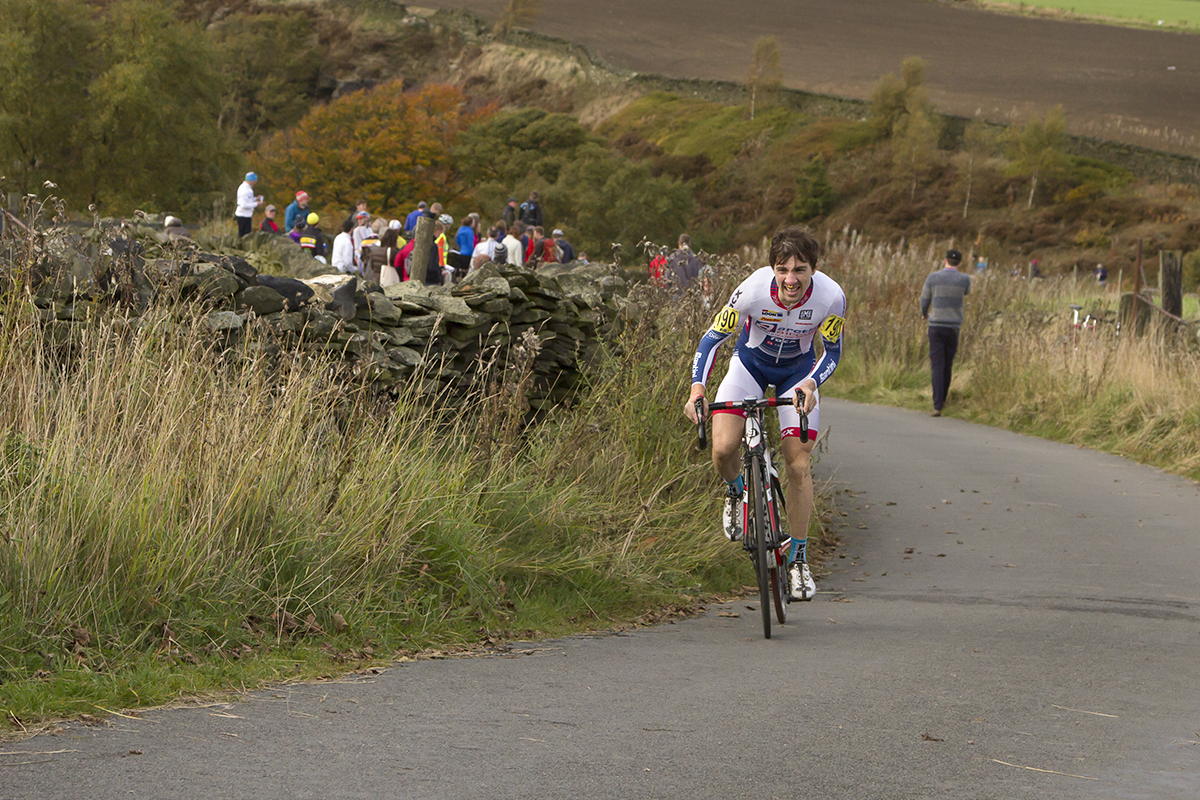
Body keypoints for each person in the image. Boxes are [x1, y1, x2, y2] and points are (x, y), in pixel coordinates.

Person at [683, 226, 846, 602]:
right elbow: (712, 339)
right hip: (749, 367)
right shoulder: (752, 290)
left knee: (798, 466)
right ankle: (735, 491)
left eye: (800, 270)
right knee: (723, 449)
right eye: (782, 269)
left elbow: (833, 352)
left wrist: (812, 384)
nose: (790, 279)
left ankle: (799, 558)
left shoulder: (831, 297)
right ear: (772, 268)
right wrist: (697, 389)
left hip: (797, 375)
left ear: (814, 270)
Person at [920, 249, 972, 417]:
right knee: (948, 365)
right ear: (960, 263)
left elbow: (924, 298)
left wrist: (923, 312)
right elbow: (967, 293)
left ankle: (937, 405)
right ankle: (943, 400)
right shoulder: (964, 279)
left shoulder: (933, 277)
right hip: (953, 326)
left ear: (944, 260)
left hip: (935, 325)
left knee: (937, 365)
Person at [234, 172, 262, 237]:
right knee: (245, 236)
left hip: (246, 215)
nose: (255, 182)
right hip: (243, 216)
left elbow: (247, 200)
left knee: (247, 236)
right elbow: (243, 205)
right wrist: (256, 204)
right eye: (255, 180)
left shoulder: (247, 188)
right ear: (251, 181)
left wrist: (255, 198)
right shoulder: (244, 190)